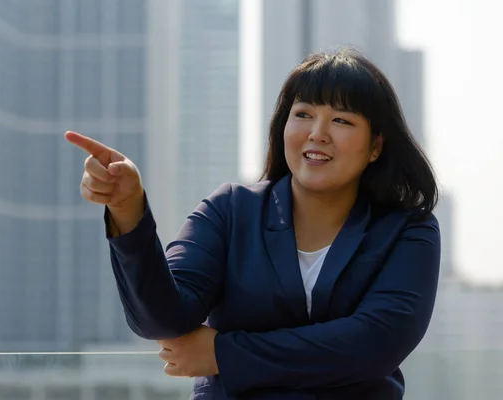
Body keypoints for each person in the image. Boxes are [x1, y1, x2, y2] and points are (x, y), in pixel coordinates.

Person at [65, 48, 441, 399]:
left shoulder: (408, 230)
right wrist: (128, 208)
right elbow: (164, 320)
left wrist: (223, 354)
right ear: (283, 125)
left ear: (376, 146)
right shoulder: (229, 210)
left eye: (341, 120)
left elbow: (374, 344)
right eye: (304, 114)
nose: (317, 133)